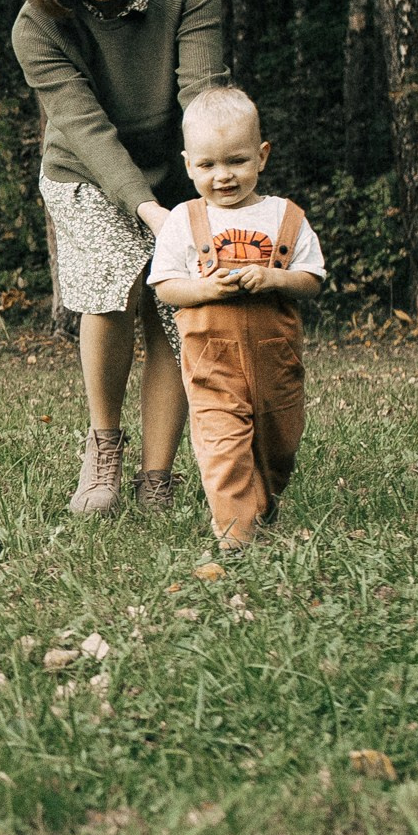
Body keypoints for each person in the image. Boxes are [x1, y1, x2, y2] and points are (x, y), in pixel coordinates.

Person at [12, 0, 228, 515]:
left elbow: (201, 91)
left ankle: (156, 479)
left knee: (175, 310)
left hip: (177, 163)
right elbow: (85, 129)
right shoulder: (37, 26)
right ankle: (104, 449)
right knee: (114, 285)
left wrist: (211, 192)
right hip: (85, 174)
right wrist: (148, 211)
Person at [148, 86, 324, 549]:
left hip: (275, 361)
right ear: (188, 165)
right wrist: (206, 289)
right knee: (222, 445)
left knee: (279, 442)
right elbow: (165, 287)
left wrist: (274, 279)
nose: (222, 176)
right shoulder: (184, 222)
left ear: (262, 156)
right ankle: (236, 537)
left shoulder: (286, 216)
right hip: (212, 361)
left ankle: (262, 501)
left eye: (236, 161)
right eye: (207, 165)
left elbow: (312, 279)